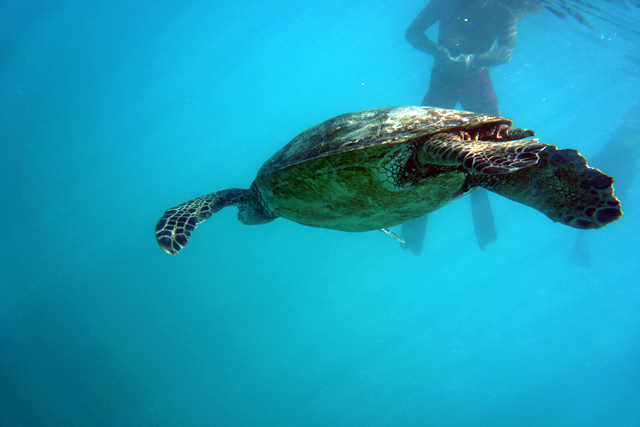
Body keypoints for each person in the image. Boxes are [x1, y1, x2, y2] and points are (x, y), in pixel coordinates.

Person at [401, 0, 528, 256]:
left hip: (468, 78)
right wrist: (439, 52)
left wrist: (470, 59)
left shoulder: (503, 11)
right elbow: (412, 33)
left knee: (488, 146)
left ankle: (475, 191)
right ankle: (417, 218)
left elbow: (506, 52)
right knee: (423, 144)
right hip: (451, 78)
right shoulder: (446, 2)